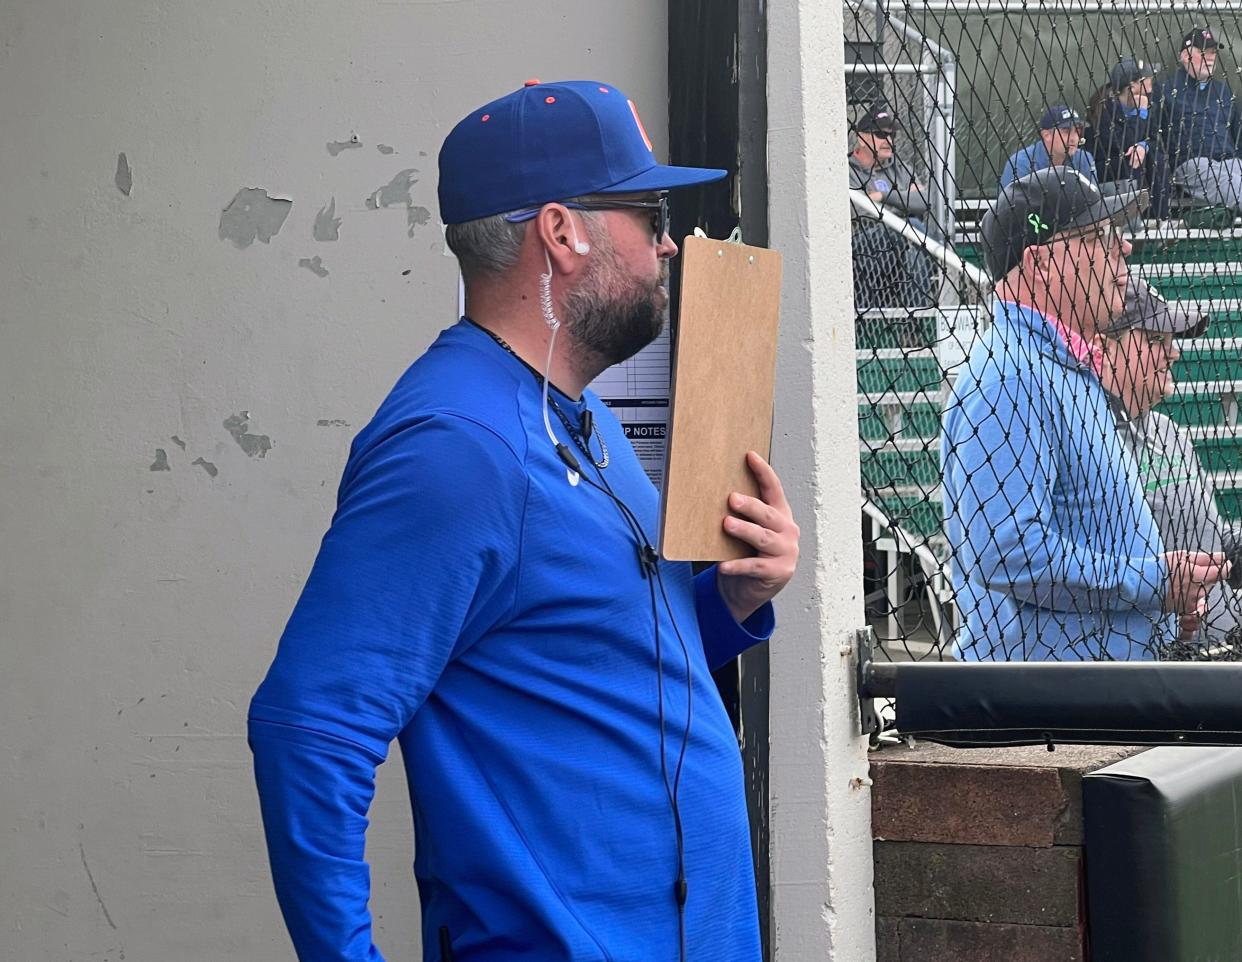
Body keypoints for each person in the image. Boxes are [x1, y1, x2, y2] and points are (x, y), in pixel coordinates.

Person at [247, 79, 800, 962]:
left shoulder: (580, 412)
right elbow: (307, 730)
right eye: (648, 209)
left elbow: (577, 656)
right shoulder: (454, 446)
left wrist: (728, 602)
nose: (667, 242)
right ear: (561, 231)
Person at [941, 166, 1228, 660]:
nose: (1124, 248)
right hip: (1047, 709)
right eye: (1098, 236)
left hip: (1093, 690)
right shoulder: (1011, 373)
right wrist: (1154, 582)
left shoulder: (1067, 371)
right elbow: (1006, 553)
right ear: (1041, 264)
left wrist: (1161, 604)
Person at [1095, 278, 1242, 654]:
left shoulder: (1169, 432)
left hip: (1224, 649)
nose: (1173, 353)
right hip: (1157, 663)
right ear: (1103, 348)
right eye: (1155, 341)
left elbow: (1203, 535)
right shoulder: (1090, 437)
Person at [848, 102, 935, 309]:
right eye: (880, 134)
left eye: (891, 135)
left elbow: (925, 201)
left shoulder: (900, 167)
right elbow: (860, 213)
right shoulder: (847, 169)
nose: (888, 140)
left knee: (913, 254)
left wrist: (884, 196)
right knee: (910, 227)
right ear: (861, 138)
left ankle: (913, 327)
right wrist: (904, 200)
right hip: (862, 247)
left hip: (902, 246)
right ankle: (918, 326)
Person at [1154, 26, 1242, 214]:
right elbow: (1153, 132)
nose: (1211, 57)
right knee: (1235, 187)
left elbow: (1238, 132)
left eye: (1213, 52)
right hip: (1192, 164)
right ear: (1185, 56)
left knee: (1235, 174)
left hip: (1229, 161)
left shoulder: (1224, 91)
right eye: (1204, 52)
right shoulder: (1166, 90)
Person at [1093, 57, 1171, 218]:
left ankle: (1160, 218)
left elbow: (1156, 139)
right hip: (1110, 167)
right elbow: (1124, 143)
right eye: (1146, 78)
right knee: (1133, 158)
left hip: (1137, 162)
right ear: (1132, 86)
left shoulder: (1150, 104)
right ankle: (1133, 220)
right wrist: (1139, 113)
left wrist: (1143, 146)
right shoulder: (1104, 111)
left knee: (1157, 159)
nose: (1151, 81)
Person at [999, 104, 1098, 190]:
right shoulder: (1020, 163)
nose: (1074, 138)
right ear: (1047, 136)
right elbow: (1011, 209)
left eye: (1077, 131)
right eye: (1066, 131)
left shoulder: (1084, 158)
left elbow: (1093, 202)